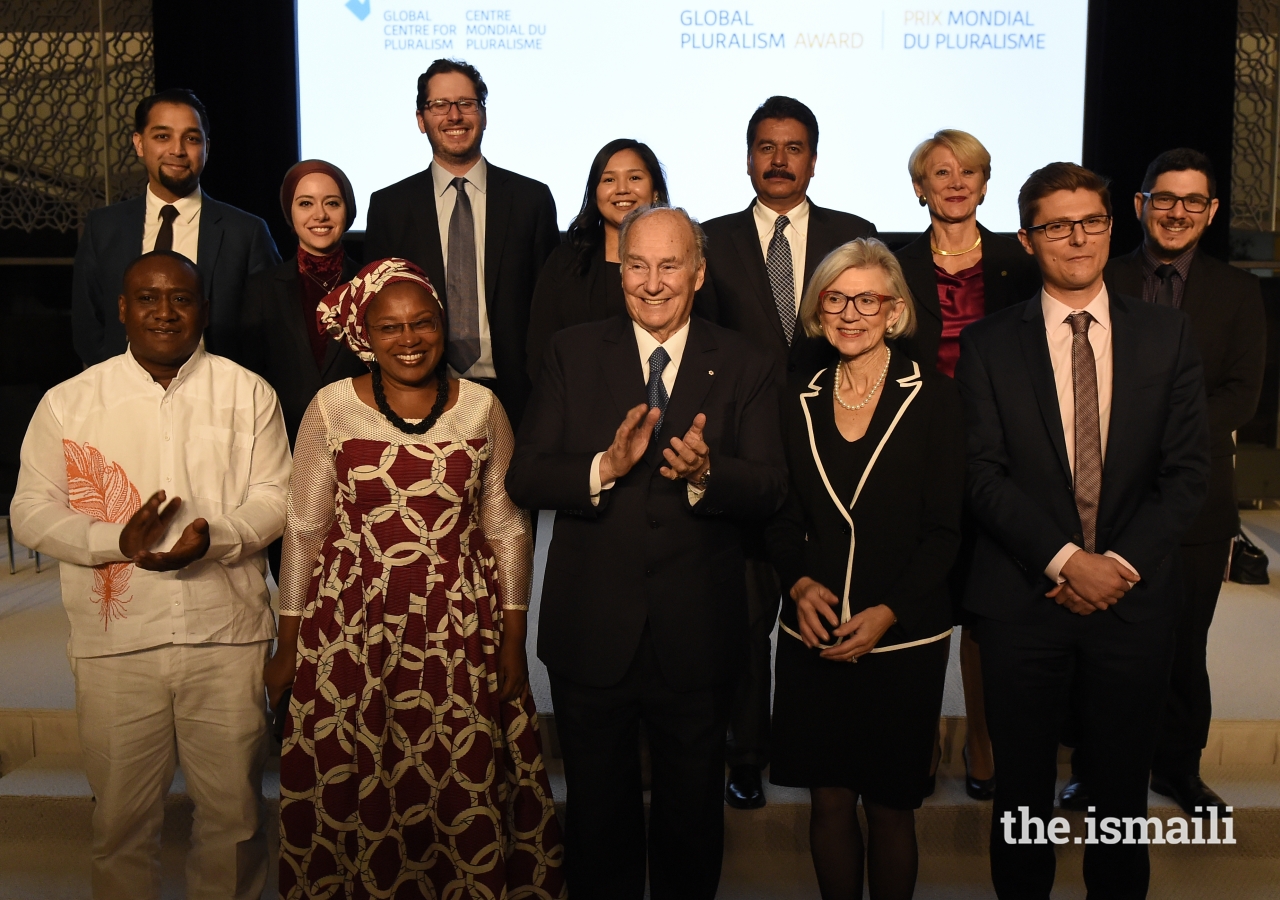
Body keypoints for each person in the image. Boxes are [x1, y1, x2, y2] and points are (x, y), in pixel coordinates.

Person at [506, 206, 788, 899]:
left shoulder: (745, 360)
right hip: (591, 634)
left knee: (692, 822)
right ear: (620, 270)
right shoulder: (572, 352)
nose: (653, 283)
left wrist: (707, 475)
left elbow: (772, 486)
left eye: (669, 266)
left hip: (697, 635)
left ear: (697, 274)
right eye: (638, 265)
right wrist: (602, 464)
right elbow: (526, 475)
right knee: (598, 820)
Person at [267, 258, 565, 899]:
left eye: (422, 323)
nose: (408, 339)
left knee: (456, 772)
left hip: (457, 627)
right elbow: (305, 525)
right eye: (390, 327)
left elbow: (507, 527)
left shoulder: (484, 408)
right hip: (351, 627)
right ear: (365, 337)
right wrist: (288, 642)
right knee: (358, 770)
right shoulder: (332, 407)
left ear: (442, 325)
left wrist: (513, 639)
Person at [954, 162, 1210, 899]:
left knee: (1121, 800)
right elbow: (982, 475)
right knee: (1023, 798)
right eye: (1057, 225)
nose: (1078, 238)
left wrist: (1114, 565)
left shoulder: (1167, 334)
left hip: (1132, 601)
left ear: (1111, 225)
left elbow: (1187, 474)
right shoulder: (988, 345)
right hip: (1023, 603)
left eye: (1091, 221)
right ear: (1029, 239)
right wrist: (1067, 561)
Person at [12, 250, 291, 899]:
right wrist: (114, 540)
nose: (165, 312)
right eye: (147, 298)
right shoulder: (72, 401)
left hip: (226, 637)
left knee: (236, 824)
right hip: (118, 645)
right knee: (120, 826)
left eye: (181, 299)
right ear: (122, 308)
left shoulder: (247, 391)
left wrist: (215, 538)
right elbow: (29, 509)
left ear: (205, 309)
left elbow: (277, 498)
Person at [1056, 149, 1265, 817]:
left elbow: (1242, 396)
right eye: (1164, 199)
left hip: (1196, 507)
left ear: (1210, 212)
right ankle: (1091, 769)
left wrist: (1165, 435)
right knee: (1099, 648)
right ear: (1141, 205)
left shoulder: (1238, 292)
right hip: (1101, 503)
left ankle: (1178, 769)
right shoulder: (1098, 275)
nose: (1177, 212)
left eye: (1192, 201)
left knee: (1182, 644)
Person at [767, 238, 963, 900]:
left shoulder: (934, 399)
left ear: (895, 309)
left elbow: (945, 533)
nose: (851, 313)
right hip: (812, 635)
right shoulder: (795, 398)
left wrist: (886, 613)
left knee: (889, 806)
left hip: (902, 637)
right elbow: (780, 515)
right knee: (827, 802)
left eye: (867, 299)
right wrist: (794, 582)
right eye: (836, 298)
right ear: (819, 310)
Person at [700, 95, 878, 810]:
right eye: (766, 146)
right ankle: (746, 752)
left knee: (833, 593)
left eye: (793, 146)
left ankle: (832, 744)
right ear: (748, 156)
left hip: (834, 444)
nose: (779, 159)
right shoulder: (709, 239)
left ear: (813, 157)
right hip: (742, 449)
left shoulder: (853, 234)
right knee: (747, 612)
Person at [893, 129, 1042, 801]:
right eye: (940, 172)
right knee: (922, 605)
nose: (955, 183)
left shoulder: (1022, 260)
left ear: (986, 184)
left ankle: (983, 741)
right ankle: (918, 738)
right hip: (918, 458)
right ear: (919, 187)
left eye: (969, 172)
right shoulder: (894, 265)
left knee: (987, 613)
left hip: (1002, 460)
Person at [364, 58, 560, 429]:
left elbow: (548, 306)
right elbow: (379, 313)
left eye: (466, 103)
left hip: (519, 397)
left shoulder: (530, 199)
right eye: (439, 105)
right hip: (420, 391)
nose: (454, 116)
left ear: (483, 115)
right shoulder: (389, 206)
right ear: (421, 120)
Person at [72, 88, 280, 365]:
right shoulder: (104, 227)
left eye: (191, 139)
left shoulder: (246, 232)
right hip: (121, 396)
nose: (177, 150)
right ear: (139, 143)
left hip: (216, 395)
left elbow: (267, 331)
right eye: (162, 136)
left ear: (207, 147)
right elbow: (88, 325)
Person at [236, 159, 367, 445]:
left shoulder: (372, 284)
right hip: (281, 439)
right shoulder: (260, 288)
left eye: (332, 203)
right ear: (289, 213)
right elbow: (250, 378)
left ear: (348, 211)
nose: (319, 215)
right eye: (305, 204)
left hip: (362, 441)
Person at [525, 138, 678, 379]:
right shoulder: (564, 262)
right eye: (609, 179)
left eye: (634, 178)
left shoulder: (682, 262)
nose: (622, 189)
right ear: (595, 194)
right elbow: (540, 351)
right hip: (579, 402)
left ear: (656, 191)